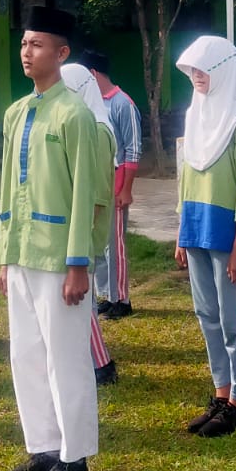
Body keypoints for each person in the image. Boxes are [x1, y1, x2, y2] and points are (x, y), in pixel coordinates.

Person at [0, 7, 100, 471]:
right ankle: (44, 446)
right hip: (22, 255)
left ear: (61, 53)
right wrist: (4, 256)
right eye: (23, 44)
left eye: (37, 45)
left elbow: (87, 194)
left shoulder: (75, 114)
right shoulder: (17, 112)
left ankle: (75, 457)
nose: (27, 52)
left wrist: (78, 262)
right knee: (27, 355)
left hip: (60, 259)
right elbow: (6, 189)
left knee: (66, 357)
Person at [174, 36, 236, 438]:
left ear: (225, 70)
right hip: (195, 224)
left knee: (231, 319)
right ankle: (221, 392)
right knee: (206, 314)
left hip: (226, 228)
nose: (196, 77)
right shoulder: (195, 115)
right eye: (191, 70)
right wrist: (182, 231)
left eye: (203, 69)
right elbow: (187, 175)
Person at [62, 62, 121, 385]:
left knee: (82, 302)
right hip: (78, 225)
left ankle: (101, 364)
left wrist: (82, 233)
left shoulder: (97, 130)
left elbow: (98, 193)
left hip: (87, 226)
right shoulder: (85, 125)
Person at [87, 50, 142, 319]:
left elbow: (132, 150)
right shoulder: (90, 103)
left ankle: (121, 298)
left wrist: (126, 189)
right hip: (97, 186)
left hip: (117, 186)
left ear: (93, 74)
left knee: (114, 245)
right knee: (98, 244)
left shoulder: (122, 104)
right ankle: (105, 295)